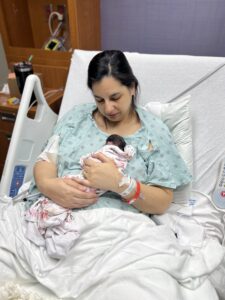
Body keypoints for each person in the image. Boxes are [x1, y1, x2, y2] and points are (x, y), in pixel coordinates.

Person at [32, 50, 192, 216]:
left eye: (115, 98)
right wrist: (47, 185)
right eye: (99, 100)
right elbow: (47, 157)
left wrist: (120, 183)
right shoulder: (76, 118)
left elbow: (162, 202)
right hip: (55, 214)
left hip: (116, 225)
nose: (108, 108)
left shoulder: (153, 132)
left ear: (132, 88)